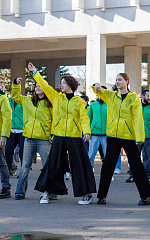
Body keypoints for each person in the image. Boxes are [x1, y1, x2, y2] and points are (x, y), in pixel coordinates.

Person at [29, 63, 96, 205]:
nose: (62, 85)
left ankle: (86, 194)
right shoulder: (56, 97)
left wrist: (87, 132)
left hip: (74, 136)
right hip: (59, 135)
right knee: (53, 164)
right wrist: (35, 72)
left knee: (78, 164)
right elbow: (45, 86)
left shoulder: (79, 101)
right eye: (61, 83)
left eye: (64, 83)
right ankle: (48, 192)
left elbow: (84, 118)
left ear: (71, 84)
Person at [93, 73, 150, 205]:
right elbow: (97, 90)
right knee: (107, 165)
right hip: (113, 135)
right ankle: (101, 196)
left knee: (136, 166)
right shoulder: (112, 95)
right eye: (116, 80)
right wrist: (96, 85)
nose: (117, 82)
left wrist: (139, 137)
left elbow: (138, 118)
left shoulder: (133, 98)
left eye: (120, 80)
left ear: (127, 81)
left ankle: (146, 196)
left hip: (128, 136)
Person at [12, 78, 53, 200]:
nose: (37, 88)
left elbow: (55, 120)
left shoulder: (49, 103)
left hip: (44, 139)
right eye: (35, 86)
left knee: (47, 166)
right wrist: (16, 84)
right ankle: (20, 192)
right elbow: (15, 96)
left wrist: (52, 135)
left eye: (40, 86)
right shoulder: (27, 100)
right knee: (25, 166)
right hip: (29, 138)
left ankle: (50, 192)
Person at [126, 89, 150, 183]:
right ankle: (133, 176)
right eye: (148, 96)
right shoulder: (136, 106)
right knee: (134, 157)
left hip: (149, 137)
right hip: (136, 136)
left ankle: (147, 176)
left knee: (148, 158)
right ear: (142, 96)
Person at [87, 86, 108, 171]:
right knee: (91, 155)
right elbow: (88, 119)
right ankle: (90, 170)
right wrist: (88, 132)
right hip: (94, 134)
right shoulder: (93, 105)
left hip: (106, 134)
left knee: (107, 155)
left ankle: (107, 172)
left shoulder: (109, 104)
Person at [5, 97, 24, 176]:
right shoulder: (8, 101)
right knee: (8, 151)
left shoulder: (23, 101)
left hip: (22, 130)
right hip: (11, 130)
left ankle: (23, 172)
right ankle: (9, 170)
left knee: (22, 152)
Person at [0, 80, 12, 199]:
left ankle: (6, 187)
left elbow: (7, 117)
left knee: (1, 162)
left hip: (0, 135)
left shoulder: (3, 99)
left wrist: (4, 135)